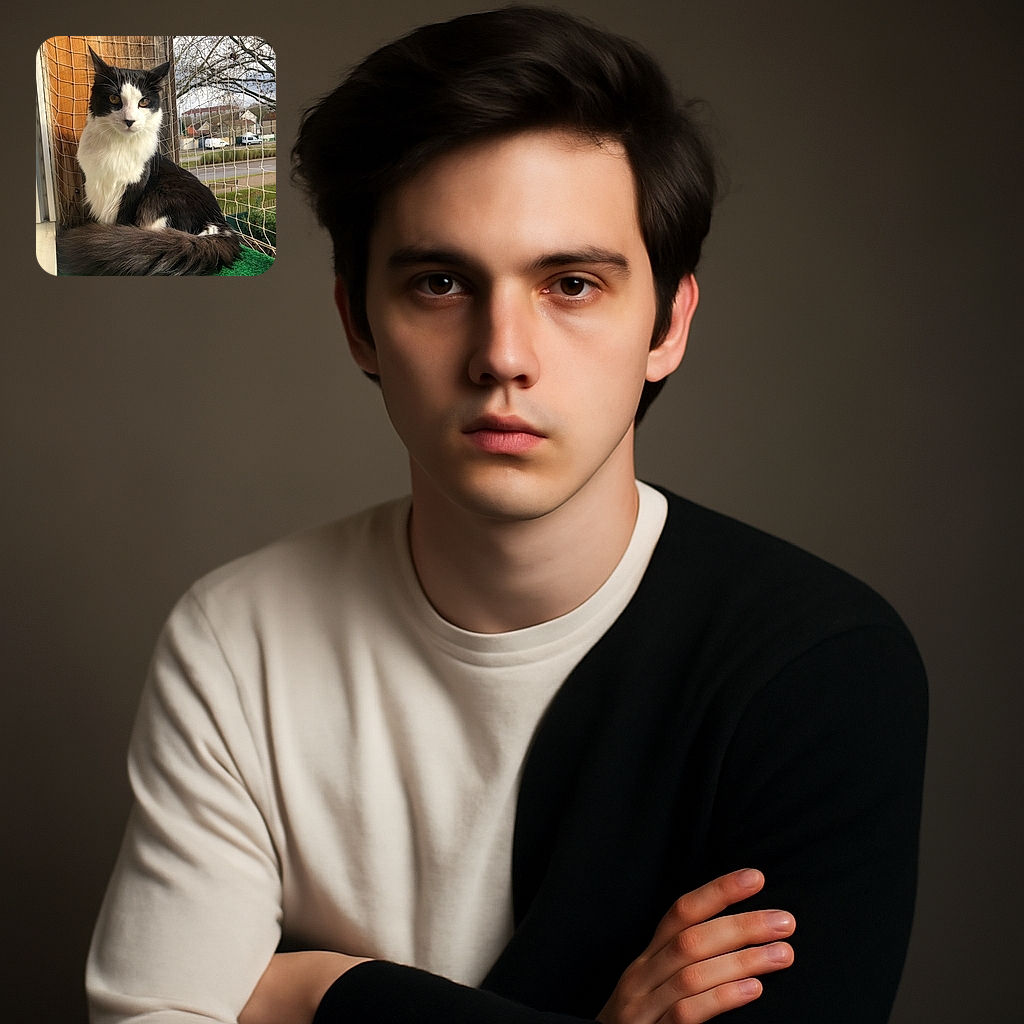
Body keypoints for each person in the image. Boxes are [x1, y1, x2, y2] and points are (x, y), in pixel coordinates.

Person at [86, 8, 927, 1024]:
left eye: (571, 284)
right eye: (440, 283)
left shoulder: (820, 666)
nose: (503, 355)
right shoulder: (237, 642)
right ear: (358, 323)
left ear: (667, 324)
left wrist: (322, 992)